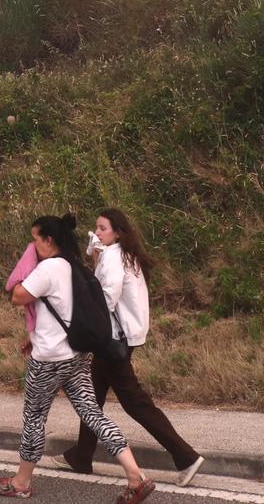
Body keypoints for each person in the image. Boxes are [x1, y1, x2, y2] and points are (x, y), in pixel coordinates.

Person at [0, 214, 155, 502]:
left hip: (48, 360)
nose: (33, 244)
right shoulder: (72, 266)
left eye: (35, 239)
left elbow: (17, 295)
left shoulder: (49, 268)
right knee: (92, 412)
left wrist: (29, 257)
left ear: (48, 240)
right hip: (75, 355)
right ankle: (135, 476)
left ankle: (21, 483)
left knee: (34, 418)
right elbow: (63, 308)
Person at [64, 208, 203, 488]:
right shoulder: (122, 255)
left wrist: (89, 326)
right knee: (92, 398)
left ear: (117, 232)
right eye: (97, 227)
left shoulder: (115, 258)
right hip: (122, 337)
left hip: (114, 340)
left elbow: (106, 297)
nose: (98, 232)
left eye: (103, 228)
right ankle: (82, 455)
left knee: (134, 402)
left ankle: (186, 457)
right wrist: (96, 258)